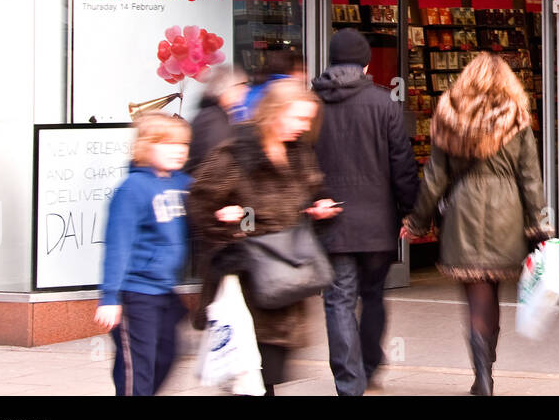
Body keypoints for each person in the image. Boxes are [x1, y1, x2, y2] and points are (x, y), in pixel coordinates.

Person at [401, 52, 552, 396]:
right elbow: (531, 180)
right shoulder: (517, 120)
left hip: (462, 214)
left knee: (475, 296)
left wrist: (416, 222)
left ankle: (482, 375)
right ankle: (487, 366)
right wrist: (540, 226)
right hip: (506, 214)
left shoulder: (448, 116)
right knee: (494, 292)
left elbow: (434, 178)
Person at [188, 78, 342, 395]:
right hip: (246, 282)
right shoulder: (235, 153)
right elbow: (200, 203)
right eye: (297, 117)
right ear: (274, 112)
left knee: (265, 375)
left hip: (285, 283)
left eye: (308, 119)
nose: (303, 126)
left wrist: (320, 208)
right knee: (249, 374)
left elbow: (313, 194)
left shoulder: (298, 154)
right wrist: (226, 218)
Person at [312, 29, 419, 396]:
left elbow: (302, 161)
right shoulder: (385, 103)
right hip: (377, 224)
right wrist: (410, 211)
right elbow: (402, 164)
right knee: (373, 294)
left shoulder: (313, 104)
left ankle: (349, 381)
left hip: (332, 222)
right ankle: (370, 365)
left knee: (339, 300)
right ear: (366, 62)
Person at [95, 112, 193, 396]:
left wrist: (238, 216)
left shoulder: (182, 183)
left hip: (164, 290)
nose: (178, 151)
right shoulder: (132, 189)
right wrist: (110, 297)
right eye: (168, 144)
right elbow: (118, 244)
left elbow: (211, 206)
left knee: (167, 354)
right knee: (138, 367)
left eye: (183, 145)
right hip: (135, 293)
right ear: (146, 147)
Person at [186, 64, 248, 174]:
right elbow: (219, 161)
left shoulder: (212, 114)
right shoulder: (214, 119)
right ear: (225, 88)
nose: (246, 89)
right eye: (241, 84)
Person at [239, 50, 305, 121]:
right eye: (300, 70)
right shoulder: (289, 92)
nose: (304, 75)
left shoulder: (253, 90)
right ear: (290, 71)